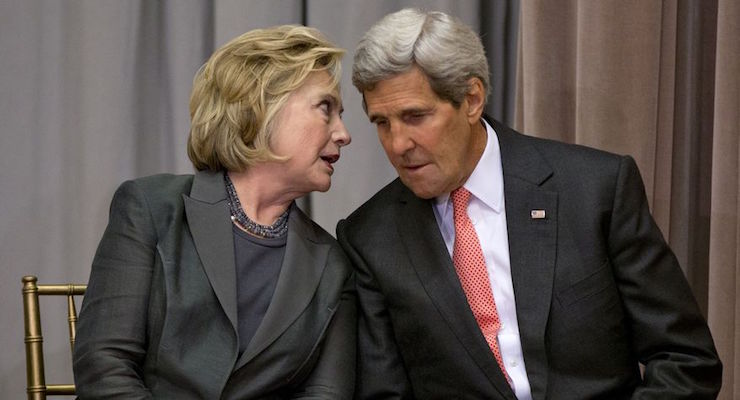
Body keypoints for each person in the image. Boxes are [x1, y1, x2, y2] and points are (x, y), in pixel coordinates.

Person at [337, 8, 721, 399]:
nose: (398, 143)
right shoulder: (370, 238)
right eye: (382, 123)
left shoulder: (593, 191)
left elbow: (685, 360)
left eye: (415, 116)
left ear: (471, 99)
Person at [73, 25, 355, 399]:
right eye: (326, 108)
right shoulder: (149, 208)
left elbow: (326, 393)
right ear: (261, 107)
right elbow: (105, 365)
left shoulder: (333, 263)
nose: (344, 134)